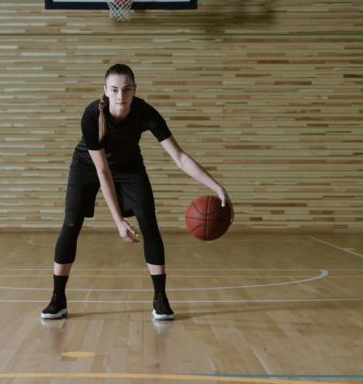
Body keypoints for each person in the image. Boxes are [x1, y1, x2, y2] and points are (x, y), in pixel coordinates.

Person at [41, 63, 233, 321]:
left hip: (129, 166)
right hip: (88, 166)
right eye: (115, 90)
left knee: (148, 220)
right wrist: (118, 219)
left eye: (127, 89)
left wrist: (216, 186)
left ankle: (160, 298)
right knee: (71, 222)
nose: (121, 96)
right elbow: (103, 171)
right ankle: (58, 299)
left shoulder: (145, 113)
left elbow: (179, 157)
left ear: (135, 90)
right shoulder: (91, 116)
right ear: (105, 91)